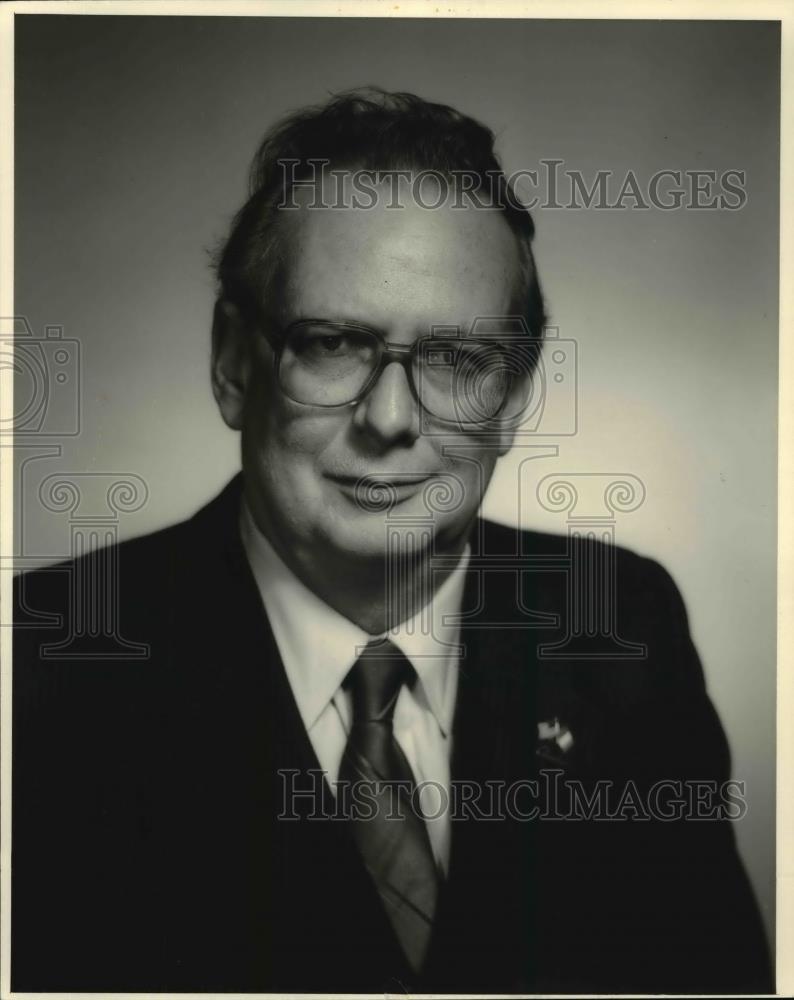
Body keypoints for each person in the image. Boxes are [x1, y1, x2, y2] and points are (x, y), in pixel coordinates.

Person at [12, 88, 772, 994]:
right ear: (232, 362)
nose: (389, 418)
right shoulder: (44, 667)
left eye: (457, 359)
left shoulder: (621, 626)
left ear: (515, 398)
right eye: (333, 343)